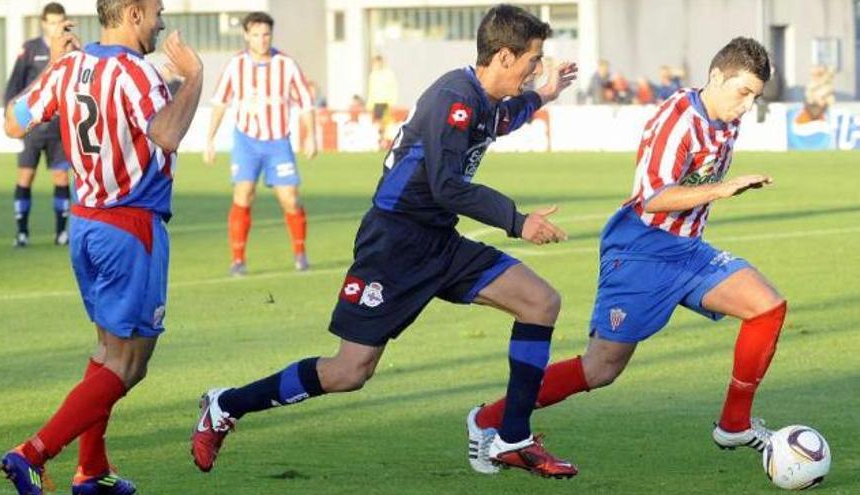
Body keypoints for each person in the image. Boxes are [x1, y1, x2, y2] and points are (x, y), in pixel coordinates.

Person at [192, 4, 581, 479]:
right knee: (349, 372)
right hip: (394, 243)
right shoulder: (454, 98)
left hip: (438, 239)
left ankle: (509, 437)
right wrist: (516, 221)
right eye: (532, 59)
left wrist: (543, 94)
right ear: (503, 56)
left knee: (541, 301)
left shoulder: (480, 98)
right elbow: (446, 186)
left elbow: (501, 119)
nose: (535, 67)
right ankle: (225, 405)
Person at [469, 37, 786, 475]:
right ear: (715, 77)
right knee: (600, 369)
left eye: (755, 95)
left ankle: (734, 424)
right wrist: (722, 188)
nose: (747, 105)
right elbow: (654, 199)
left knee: (767, 306)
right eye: (743, 92)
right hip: (641, 251)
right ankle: (488, 420)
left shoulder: (726, 119)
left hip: (687, 250)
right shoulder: (679, 121)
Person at [0, 0, 203, 493]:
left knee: (107, 353)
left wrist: (51, 60)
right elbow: (168, 134)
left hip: (87, 227)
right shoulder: (136, 73)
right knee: (131, 364)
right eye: (156, 13)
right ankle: (31, 453)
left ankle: (91, 471)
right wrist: (194, 75)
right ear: (132, 13)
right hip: (130, 227)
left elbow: (13, 121)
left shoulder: (69, 65)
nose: (161, 23)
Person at [203, 11, 317, 276]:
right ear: (246, 36)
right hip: (246, 141)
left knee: (289, 199)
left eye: (266, 34)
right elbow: (220, 102)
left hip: (278, 142)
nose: (261, 40)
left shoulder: (286, 64)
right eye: (255, 34)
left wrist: (311, 135)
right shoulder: (235, 65)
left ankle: (300, 253)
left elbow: (305, 103)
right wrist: (209, 139)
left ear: (271, 36)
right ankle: (238, 260)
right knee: (243, 195)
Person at [4, 2, 71, 247]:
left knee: (62, 177)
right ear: (44, 23)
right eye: (51, 22)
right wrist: (11, 119)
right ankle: (21, 232)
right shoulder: (30, 49)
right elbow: (14, 87)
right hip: (31, 128)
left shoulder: (71, 48)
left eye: (59, 21)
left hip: (58, 129)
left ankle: (61, 233)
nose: (55, 27)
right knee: (25, 177)